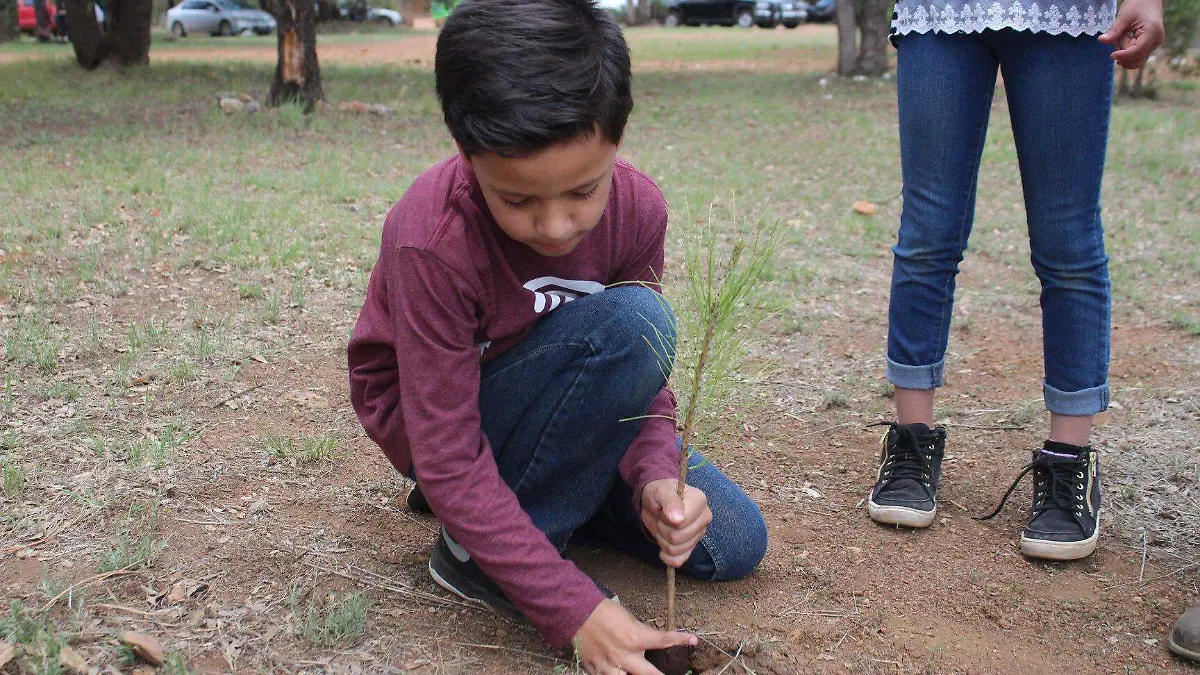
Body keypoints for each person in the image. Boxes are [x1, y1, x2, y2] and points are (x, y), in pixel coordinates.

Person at [346, 1, 768, 672]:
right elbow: (450, 452)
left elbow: (641, 374)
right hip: (446, 428)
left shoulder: (637, 209)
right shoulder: (432, 238)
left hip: (573, 401)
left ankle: (507, 508)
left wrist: (657, 474)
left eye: (582, 190)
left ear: (616, 141)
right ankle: (476, 554)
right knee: (635, 320)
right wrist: (573, 609)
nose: (555, 226)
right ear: (467, 150)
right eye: (517, 199)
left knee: (735, 540)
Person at [868, 0, 1164, 562]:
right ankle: (911, 445)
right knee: (928, 234)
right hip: (942, 14)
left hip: (1068, 14)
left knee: (1066, 241)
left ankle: (1068, 463)